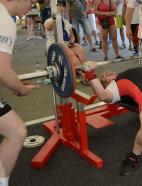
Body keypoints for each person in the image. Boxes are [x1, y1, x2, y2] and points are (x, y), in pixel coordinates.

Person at [0, 0, 39, 185]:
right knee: (16, 132)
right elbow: (2, 71)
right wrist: (21, 89)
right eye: (31, 1)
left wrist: (13, 83)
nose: (31, 5)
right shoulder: (4, 19)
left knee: (15, 130)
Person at [44, 0, 87, 82]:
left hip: (66, 44)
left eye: (61, 5)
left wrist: (72, 43)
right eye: (58, 5)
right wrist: (56, 18)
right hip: (54, 46)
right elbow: (48, 27)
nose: (59, 7)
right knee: (70, 53)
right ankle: (82, 74)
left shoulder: (66, 21)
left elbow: (72, 36)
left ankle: (81, 68)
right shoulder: (49, 21)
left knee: (79, 48)